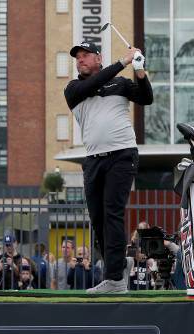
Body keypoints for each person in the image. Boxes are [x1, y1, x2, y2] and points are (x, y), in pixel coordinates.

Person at [64, 41, 153, 293]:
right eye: (77, 57)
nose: (79, 60)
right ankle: (117, 266)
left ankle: (114, 278)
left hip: (122, 155)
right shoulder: (74, 88)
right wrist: (123, 62)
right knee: (99, 219)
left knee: (112, 213)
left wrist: (139, 70)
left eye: (85, 55)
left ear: (98, 58)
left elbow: (146, 98)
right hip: (93, 160)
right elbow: (94, 83)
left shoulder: (121, 84)